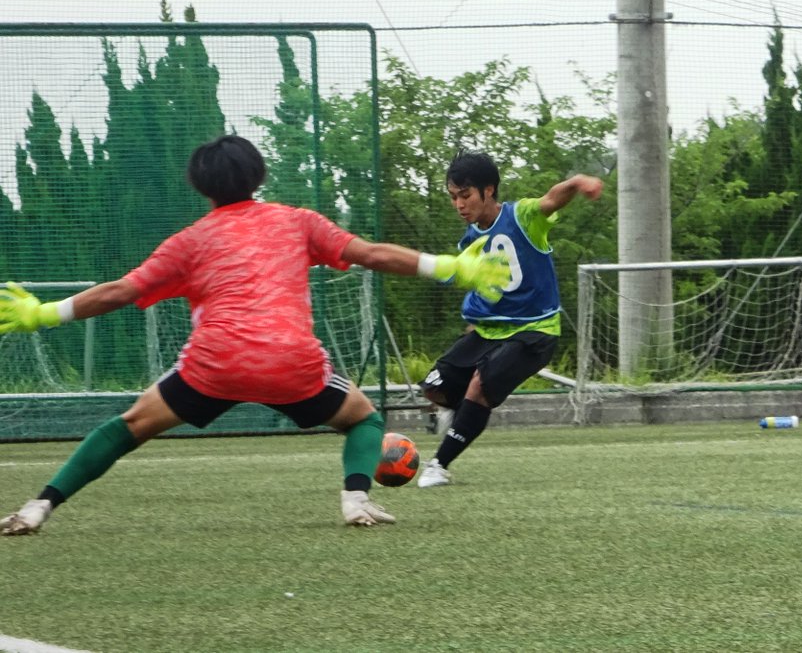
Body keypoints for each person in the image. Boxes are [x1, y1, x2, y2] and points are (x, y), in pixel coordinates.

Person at [0, 135, 509, 535]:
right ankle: (356, 501)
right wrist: (448, 266)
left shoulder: (190, 242)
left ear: (202, 187)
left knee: (126, 428)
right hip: (292, 362)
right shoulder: (296, 222)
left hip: (215, 363)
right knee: (364, 419)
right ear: (259, 175)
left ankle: (39, 506)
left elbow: (120, 291)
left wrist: (44, 313)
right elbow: (371, 254)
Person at [416, 150, 603, 488]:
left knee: (480, 386)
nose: (459, 204)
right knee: (434, 388)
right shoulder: (470, 238)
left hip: (534, 330)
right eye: (453, 197)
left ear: (488, 190)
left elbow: (551, 200)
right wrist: (473, 327)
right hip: (489, 330)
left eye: (465, 195)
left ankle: (438, 465)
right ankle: (464, 415)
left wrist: (577, 182)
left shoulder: (522, 216)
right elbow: (485, 286)